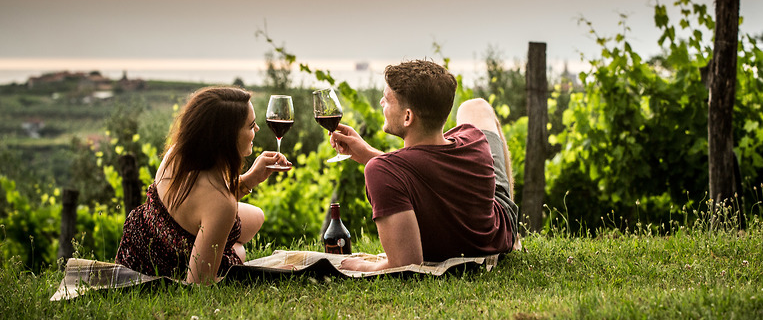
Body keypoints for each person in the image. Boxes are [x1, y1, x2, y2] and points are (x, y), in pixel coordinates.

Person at [329, 60, 519, 272]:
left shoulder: (381, 170)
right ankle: (516, 236)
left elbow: (405, 263)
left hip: (473, 245)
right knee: (475, 106)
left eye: (388, 99)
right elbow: (426, 167)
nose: (381, 102)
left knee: (472, 108)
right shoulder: (475, 140)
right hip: (498, 235)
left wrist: (362, 266)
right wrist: (368, 154)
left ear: (408, 117)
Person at [115, 86, 291, 284]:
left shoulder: (179, 153)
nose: (257, 129)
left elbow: (202, 199)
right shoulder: (221, 204)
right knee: (239, 251)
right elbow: (198, 283)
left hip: (146, 241)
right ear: (227, 136)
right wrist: (271, 273)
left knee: (256, 216)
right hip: (165, 263)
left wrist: (251, 178)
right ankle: (227, 252)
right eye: (251, 126)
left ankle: (223, 246)